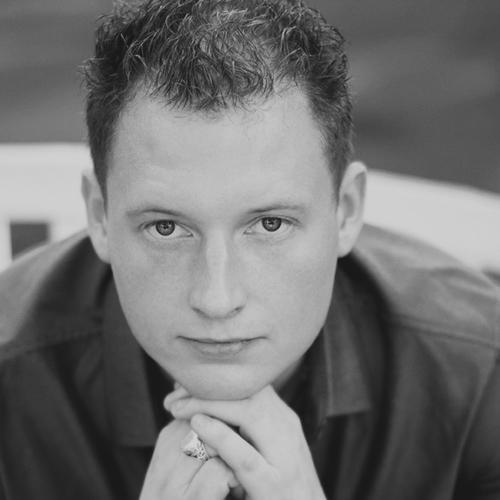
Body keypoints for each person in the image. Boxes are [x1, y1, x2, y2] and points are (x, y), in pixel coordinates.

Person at [1, 0, 499, 498]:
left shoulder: (482, 378)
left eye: (269, 224)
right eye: (166, 228)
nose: (217, 300)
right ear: (99, 215)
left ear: (346, 211)